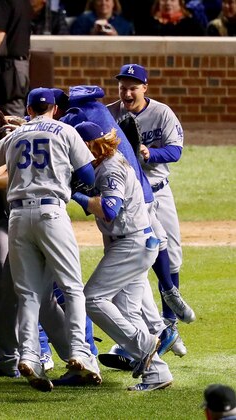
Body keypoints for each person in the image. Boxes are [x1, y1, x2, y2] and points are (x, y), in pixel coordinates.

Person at [0, 89, 101, 391]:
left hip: (18, 218)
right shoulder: (66, 131)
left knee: (28, 293)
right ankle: (80, 352)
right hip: (52, 215)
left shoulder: (15, 135)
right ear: (54, 109)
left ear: (29, 108)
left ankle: (30, 355)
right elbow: (89, 175)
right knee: (71, 287)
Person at [71, 121, 173, 391]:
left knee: (92, 299)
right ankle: (157, 373)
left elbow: (109, 209)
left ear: (91, 146)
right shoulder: (106, 162)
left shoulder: (111, 168)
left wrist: (76, 195)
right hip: (134, 241)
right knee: (128, 313)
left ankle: (147, 345)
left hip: (131, 243)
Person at [107, 64, 194, 356]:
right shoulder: (109, 113)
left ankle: (169, 321)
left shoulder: (162, 113)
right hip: (132, 200)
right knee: (138, 259)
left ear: (145, 87)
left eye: (133, 87)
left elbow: (176, 150)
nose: (127, 93)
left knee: (173, 258)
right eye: (123, 87)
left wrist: (149, 152)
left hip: (158, 190)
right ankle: (152, 329)